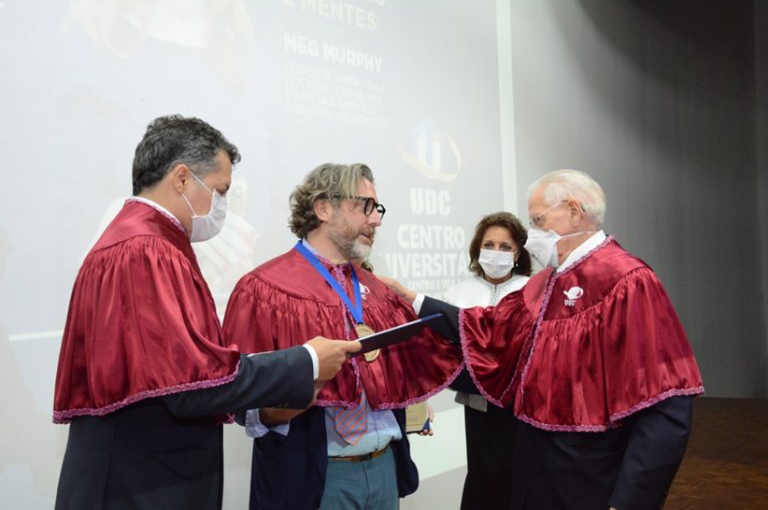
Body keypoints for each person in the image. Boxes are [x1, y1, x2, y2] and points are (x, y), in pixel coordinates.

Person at [52, 116, 360, 510]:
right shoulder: (148, 249)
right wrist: (307, 360)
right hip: (142, 484)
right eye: (219, 190)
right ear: (182, 178)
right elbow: (191, 383)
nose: (222, 206)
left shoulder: (133, 238)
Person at [390, 170, 704, 510]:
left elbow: (665, 402)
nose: (532, 235)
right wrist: (414, 301)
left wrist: (630, 501)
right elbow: (490, 329)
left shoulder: (626, 280)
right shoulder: (545, 283)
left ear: (573, 212)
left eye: (538, 220)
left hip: (589, 481)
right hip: (534, 476)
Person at [222, 162, 463, 510]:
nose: (376, 220)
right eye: (366, 206)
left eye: (378, 209)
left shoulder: (378, 290)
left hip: (385, 467)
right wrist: (297, 394)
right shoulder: (264, 289)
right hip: (314, 479)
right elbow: (243, 399)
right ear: (324, 208)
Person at [445, 212, 532, 510]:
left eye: (505, 247)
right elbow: (447, 352)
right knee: (483, 483)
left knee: (520, 484)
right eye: (489, 245)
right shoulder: (458, 293)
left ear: (518, 253)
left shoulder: (532, 290)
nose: (496, 253)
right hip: (478, 406)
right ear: (477, 249)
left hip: (521, 408)